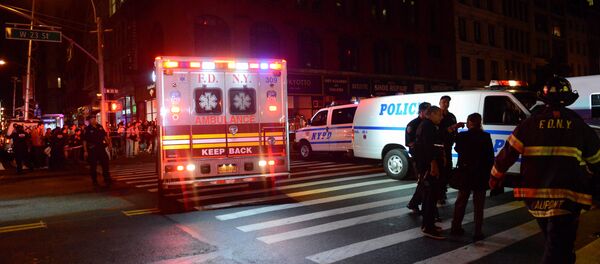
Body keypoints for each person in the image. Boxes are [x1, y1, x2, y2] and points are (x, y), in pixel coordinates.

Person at [490, 76, 600, 264]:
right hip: (568, 198)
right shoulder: (580, 127)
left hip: (536, 198)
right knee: (558, 248)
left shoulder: (528, 125)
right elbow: (596, 162)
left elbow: (506, 154)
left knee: (558, 244)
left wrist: (494, 177)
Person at [450, 113, 494, 240]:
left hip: (465, 173)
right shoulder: (486, 136)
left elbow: (457, 149)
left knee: (461, 202)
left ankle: (455, 227)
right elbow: (490, 157)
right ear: (480, 122)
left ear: (469, 122)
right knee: (479, 205)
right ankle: (477, 232)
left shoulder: (462, 135)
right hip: (480, 174)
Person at [415, 106, 446, 239]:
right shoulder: (428, 126)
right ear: (432, 114)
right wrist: (433, 164)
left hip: (427, 165)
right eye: (439, 114)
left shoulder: (428, 125)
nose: (441, 117)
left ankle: (428, 224)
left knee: (430, 196)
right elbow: (428, 147)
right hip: (429, 167)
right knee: (430, 197)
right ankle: (428, 227)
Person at [437, 95, 464, 205]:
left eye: (448, 102)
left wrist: (457, 140)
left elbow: (454, 132)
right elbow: (438, 132)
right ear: (439, 102)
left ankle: (443, 191)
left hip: (448, 147)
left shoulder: (451, 116)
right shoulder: (436, 115)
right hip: (438, 148)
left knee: (448, 169)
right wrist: (453, 127)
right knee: (440, 170)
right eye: (444, 102)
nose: (446, 104)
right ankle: (439, 195)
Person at [406, 102, 431, 214]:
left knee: (425, 183)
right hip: (419, 158)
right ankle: (415, 203)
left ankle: (415, 203)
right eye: (427, 111)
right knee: (423, 182)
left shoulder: (428, 123)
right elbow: (410, 143)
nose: (429, 113)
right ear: (421, 111)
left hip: (427, 157)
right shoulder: (413, 124)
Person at [83, 115, 112, 188]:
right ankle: (94, 180)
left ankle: (107, 178)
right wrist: (85, 151)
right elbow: (84, 141)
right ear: (89, 120)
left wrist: (109, 144)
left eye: (94, 119)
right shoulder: (87, 129)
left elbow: (104, 136)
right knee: (93, 166)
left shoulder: (100, 127)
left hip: (101, 148)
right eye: (92, 119)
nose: (94, 120)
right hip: (92, 149)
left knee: (105, 163)